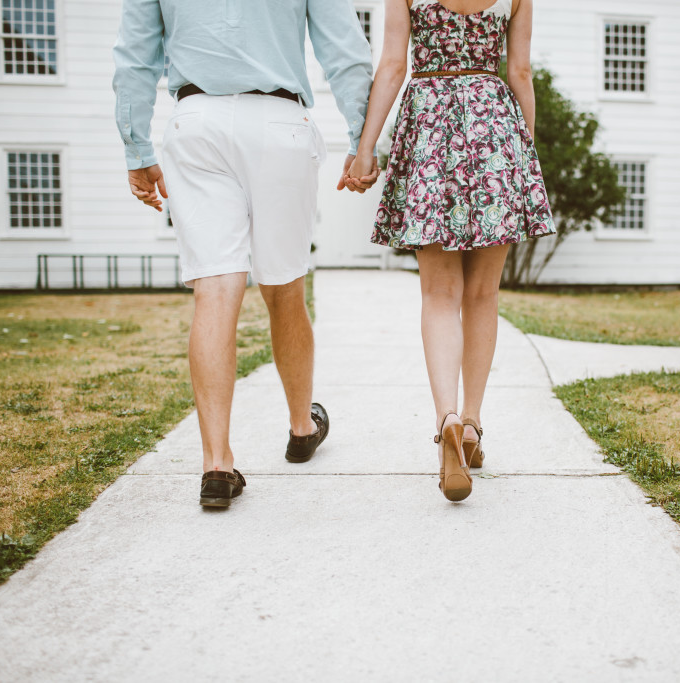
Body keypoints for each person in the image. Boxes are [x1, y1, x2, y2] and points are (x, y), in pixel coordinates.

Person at [112, 1, 380, 508]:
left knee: (214, 291)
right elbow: (344, 49)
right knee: (284, 287)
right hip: (279, 121)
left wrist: (136, 151)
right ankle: (302, 429)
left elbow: (135, 57)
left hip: (196, 122)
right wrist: (361, 137)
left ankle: (217, 464)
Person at [346, 0, 555, 501]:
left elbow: (394, 64)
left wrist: (365, 147)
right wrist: (523, 151)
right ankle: (473, 425)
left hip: (431, 122)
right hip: (493, 126)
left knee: (440, 294)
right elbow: (520, 70)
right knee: (483, 293)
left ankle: (447, 419)